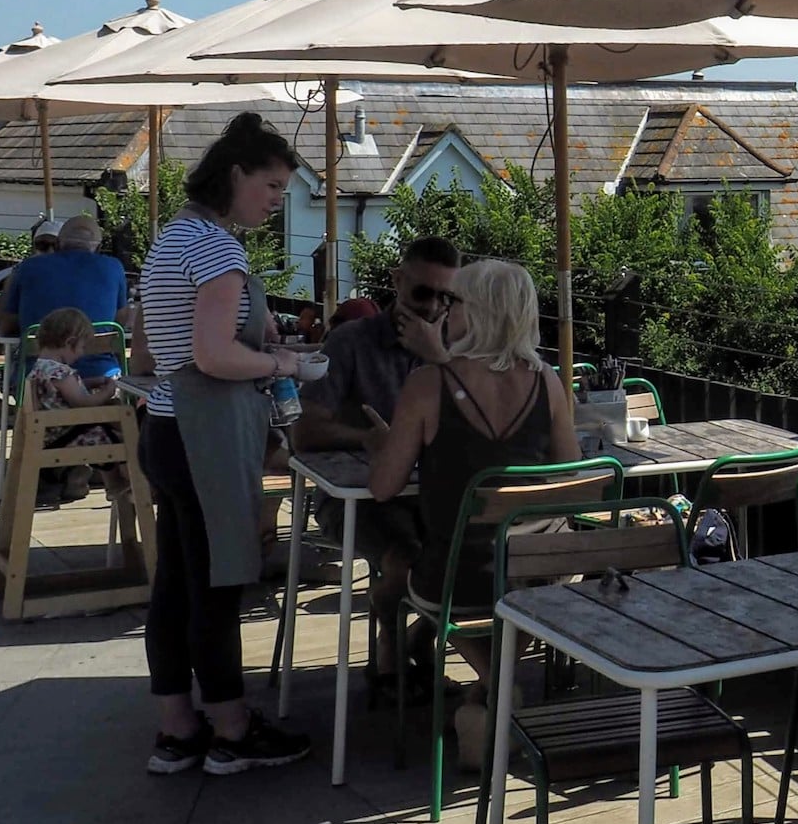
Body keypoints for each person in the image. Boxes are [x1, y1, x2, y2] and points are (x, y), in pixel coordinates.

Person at [137, 111, 312, 778]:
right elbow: (213, 356)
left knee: (177, 586)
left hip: (167, 425)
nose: (277, 200)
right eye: (270, 185)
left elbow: (166, 344)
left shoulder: (174, 237)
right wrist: (282, 365)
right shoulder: (217, 250)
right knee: (215, 588)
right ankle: (233, 730)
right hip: (204, 434)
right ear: (235, 174)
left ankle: (176, 730)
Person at [369, 256, 577, 767]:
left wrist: (390, 443)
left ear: (477, 311)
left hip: (459, 578)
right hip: (539, 573)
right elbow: (572, 477)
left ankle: (491, 692)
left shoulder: (428, 384)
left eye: (454, 300)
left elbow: (382, 488)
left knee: (420, 572)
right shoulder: (546, 380)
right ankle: (494, 692)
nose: (443, 310)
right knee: (518, 584)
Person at [293, 236, 461, 686]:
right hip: (359, 497)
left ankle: (421, 638)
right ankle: (390, 638)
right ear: (397, 281)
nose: (433, 307)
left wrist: (438, 357)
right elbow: (303, 431)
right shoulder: (351, 342)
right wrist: (366, 437)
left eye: (447, 296)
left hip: (434, 494)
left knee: (476, 558)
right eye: (423, 292)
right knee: (407, 556)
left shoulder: (458, 344)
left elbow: (476, 419)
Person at [0, 214, 131, 378]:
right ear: (99, 248)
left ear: (58, 244)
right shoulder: (114, 267)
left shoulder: (29, 267)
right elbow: (121, 320)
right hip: (101, 376)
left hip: (39, 379)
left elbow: (7, 324)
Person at [25, 306, 128, 504]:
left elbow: (65, 393)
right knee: (120, 437)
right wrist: (107, 391)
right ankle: (117, 483)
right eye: (81, 347)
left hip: (52, 433)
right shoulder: (61, 373)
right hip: (68, 434)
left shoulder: (41, 368)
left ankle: (114, 482)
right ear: (69, 343)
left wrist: (92, 382)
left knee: (108, 430)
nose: (81, 354)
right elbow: (83, 403)